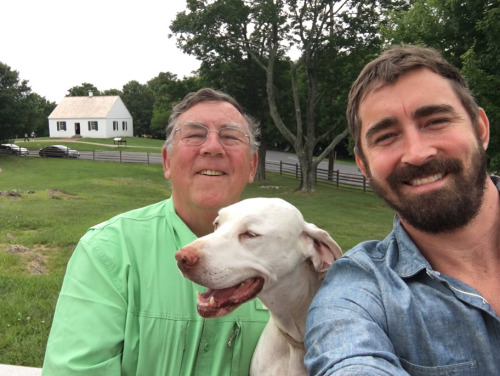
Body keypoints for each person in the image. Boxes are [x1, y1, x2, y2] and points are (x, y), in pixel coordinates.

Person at [42, 88, 269, 375]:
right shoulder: (109, 250)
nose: (213, 147)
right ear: (167, 162)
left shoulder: (291, 255)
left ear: (251, 165)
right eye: (194, 134)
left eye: (231, 136)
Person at [305, 45, 500, 375]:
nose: (417, 153)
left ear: (480, 128)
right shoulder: (358, 294)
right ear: (363, 165)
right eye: (386, 136)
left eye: (436, 121)